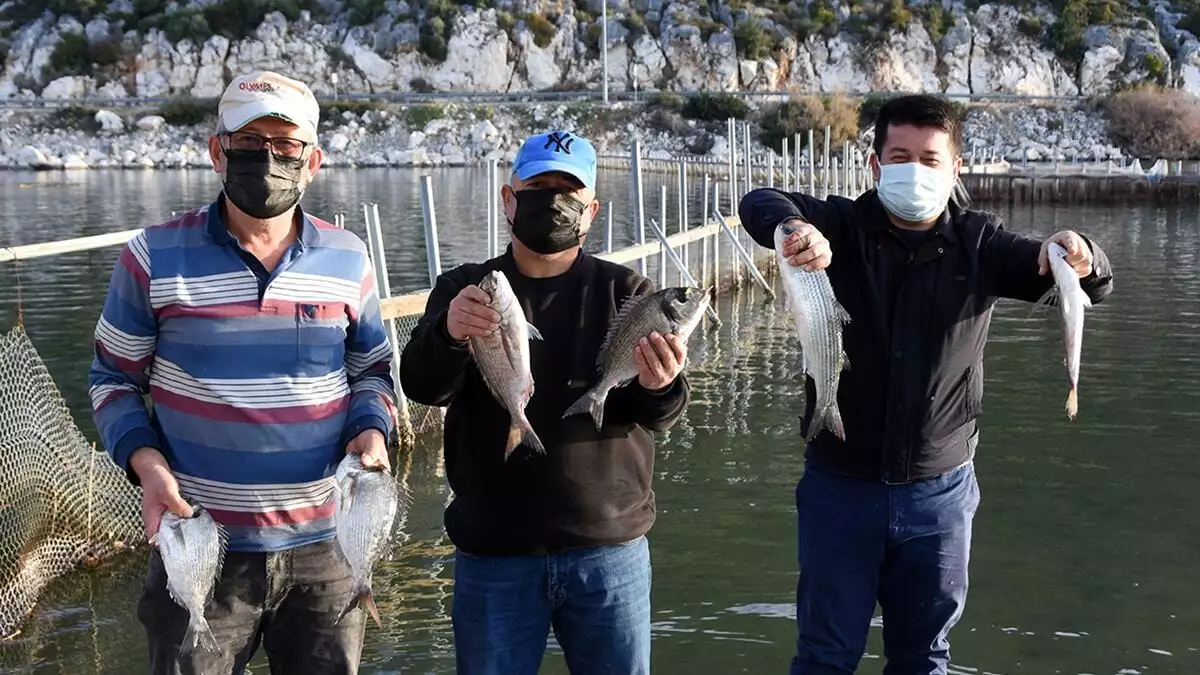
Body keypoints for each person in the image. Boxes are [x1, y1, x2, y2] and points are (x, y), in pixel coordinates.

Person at [738, 94, 1114, 675]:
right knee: (823, 656)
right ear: (875, 164)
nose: (915, 169)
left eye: (931, 159)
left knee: (923, 658)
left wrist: (1085, 256)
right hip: (840, 487)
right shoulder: (839, 225)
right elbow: (758, 200)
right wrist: (791, 227)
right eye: (900, 155)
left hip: (938, 498)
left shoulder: (982, 245)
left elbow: (1086, 285)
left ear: (956, 168)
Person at [88, 70, 397, 675]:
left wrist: (372, 429)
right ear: (217, 150)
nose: (269, 160)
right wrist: (146, 467)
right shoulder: (152, 255)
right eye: (250, 144)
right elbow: (112, 380)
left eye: (286, 148)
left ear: (313, 162)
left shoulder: (349, 256)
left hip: (328, 551)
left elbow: (372, 369)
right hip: (199, 542)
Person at [399, 129, 689, 675]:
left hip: (610, 550)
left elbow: (663, 415)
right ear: (508, 199)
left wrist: (661, 383)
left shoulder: (629, 291)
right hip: (493, 553)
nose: (552, 202)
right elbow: (422, 387)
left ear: (591, 210)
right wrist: (449, 334)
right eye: (537, 187)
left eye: (567, 191)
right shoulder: (467, 287)